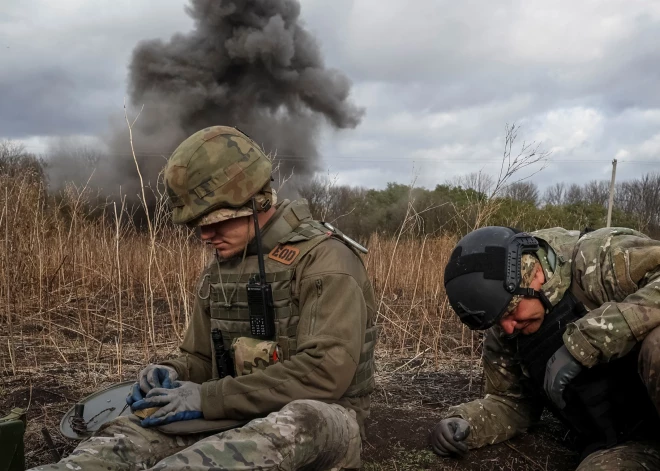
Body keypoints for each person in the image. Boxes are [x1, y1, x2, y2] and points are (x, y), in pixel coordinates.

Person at [33, 126, 377, 471]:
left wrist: (209, 397)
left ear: (258, 199)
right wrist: (170, 371)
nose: (205, 235)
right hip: (233, 411)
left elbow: (325, 373)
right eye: (197, 224)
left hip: (324, 417)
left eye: (216, 221)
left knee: (294, 420)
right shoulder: (221, 269)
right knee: (126, 437)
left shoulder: (326, 259)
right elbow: (200, 358)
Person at [430, 225, 660, 470]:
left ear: (536, 273)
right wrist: (466, 423)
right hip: (629, 441)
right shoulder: (506, 332)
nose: (508, 328)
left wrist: (588, 340)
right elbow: (512, 402)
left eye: (510, 311)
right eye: (498, 321)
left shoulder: (597, 258)